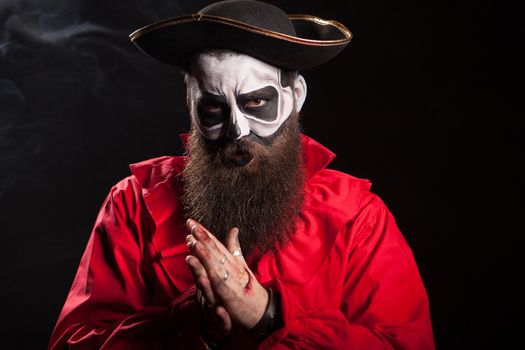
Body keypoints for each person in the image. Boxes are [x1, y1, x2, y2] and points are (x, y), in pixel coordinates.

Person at [48, 1, 435, 349]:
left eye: (255, 103)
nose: (238, 130)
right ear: (191, 105)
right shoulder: (133, 204)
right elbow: (73, 342)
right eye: (214, 109)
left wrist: (266, 315)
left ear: (294, 96)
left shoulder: (358, 216)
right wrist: (187, 325)